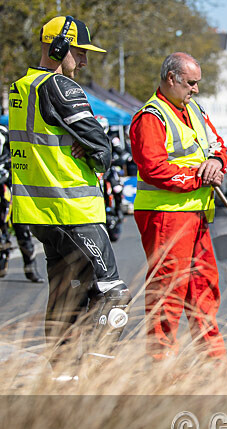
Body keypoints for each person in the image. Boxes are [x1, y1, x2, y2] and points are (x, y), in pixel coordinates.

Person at [8, 15, 131, 354]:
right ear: (59, 47)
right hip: (72, 210)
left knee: (66, 300)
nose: (85, 61)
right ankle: (93, 372)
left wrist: (83, 144)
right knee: (114, 296)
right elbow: (102, 148)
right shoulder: (61, 86)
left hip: (38, 214)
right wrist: (94, 152)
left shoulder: (20, 89)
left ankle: (63, 378)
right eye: (79, 51)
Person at [130, 52, 227, 361]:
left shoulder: (194, 110)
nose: (195, 89)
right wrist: (200, 178)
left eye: (197, 83)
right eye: (191, 83)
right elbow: (154, 169)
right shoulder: (151, 116)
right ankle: (161, 366)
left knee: (203, 287)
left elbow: (218, 143)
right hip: (165, 217)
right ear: (171, 79)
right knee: (168, 293)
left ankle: (214, 360)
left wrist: (215, 161)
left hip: (195, 216)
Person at [0, 124, 44, 282]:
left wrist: (9, 168)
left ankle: (30, 267)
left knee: (21, 224)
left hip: (10, 183)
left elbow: (22, 154)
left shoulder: (6, 133)